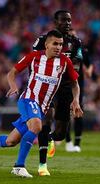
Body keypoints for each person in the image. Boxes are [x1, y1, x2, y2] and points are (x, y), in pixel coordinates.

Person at [0, 29, 83, 178]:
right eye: (55, 44)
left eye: (61, 44)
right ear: (46, 45)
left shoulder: (65, 62)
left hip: (41, 108)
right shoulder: (34, 57)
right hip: (28, 99)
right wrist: (13, 85)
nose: (59, 47)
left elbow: (75, 83)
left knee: (11, 141)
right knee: (37, 126)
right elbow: (12, 73)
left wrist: (76, 100)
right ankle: (18, 166)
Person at [32, 10, 84, 174]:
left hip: (66, 88)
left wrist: (75, 97)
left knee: (61, 133)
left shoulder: (75, 42)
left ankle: (49, 138)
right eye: (64, 20)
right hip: (47, 86)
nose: (68, 23)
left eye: (69, 20)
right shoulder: (42, 40)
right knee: (46, 121)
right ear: (55, 22)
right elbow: (33, 61)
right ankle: (42, 166)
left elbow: (76, 66)